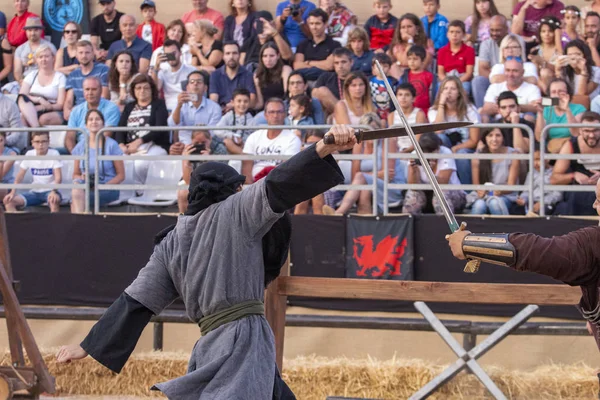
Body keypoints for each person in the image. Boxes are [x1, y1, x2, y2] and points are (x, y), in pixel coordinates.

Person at [56, 123, 357, 399]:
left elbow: (135, 302)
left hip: (211, 343)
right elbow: (278, 184)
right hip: (244, 340)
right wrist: (323, 148)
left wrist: (86, 346)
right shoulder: (235, 210)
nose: (242, 191)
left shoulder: (170, 242)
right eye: (238, 187)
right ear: (229, 191)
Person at [446, 177, 600, 353]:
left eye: (599, 200)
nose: (594, 205)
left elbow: (538, 251)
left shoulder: (593, 243)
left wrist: (468, 244)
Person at [331, 112, 404, 214]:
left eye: (374, 130)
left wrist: (365, 176)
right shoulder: (359, 144)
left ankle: (339, 213)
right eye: (366, 130)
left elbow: (388, 176)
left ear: (379, 130)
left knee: (361, 178)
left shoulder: (387, 141)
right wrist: (376, 174)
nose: (370, 134)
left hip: (390, 187)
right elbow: (354, 176)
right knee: (364, 190)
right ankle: (365, 226)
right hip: (367, 185)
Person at [116, 74, 169, 184]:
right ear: (133, 90)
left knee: (140, 164)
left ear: (152, 90)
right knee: (121, 162)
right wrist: (121, 144)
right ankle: (130, 192)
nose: (142, 91)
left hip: (154, 145)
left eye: (146, 88)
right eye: (138, 88)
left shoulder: (159, 104)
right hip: (131, 147)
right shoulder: (129, 106)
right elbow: (120, 128)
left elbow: (159, 128)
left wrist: (139, 142)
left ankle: (142, 193)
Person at [429, 76, 481, 184]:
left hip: (465, 148)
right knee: (440, 138)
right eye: (446, 88)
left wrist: (457, 148)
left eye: (453, 89)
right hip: (443, 149)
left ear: (459, 92)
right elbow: (438, 132)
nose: (449, 92)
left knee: (461, 154)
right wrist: (441, 105)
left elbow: (474, 140)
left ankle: (466, 191)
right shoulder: (434, 111)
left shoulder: (470, 110)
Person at [71, 109, 125, 213]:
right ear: (86, 125)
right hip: (87, 187)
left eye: (97, 119)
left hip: (107, 187)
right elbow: (75, 174)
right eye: (90, 119)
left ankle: (80, 223)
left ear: (103, 124)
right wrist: (81, 177)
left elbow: (121, 175)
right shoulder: (81, 146)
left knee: (76, 198)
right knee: (76, 192)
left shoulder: (112, 145)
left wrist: (103, 186)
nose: (94, 122)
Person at [402, 132, 466, 214]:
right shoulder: (415, 155)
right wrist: (413, 170)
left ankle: (444, 225)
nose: (430, 154)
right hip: (425, 194)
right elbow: (413, 186)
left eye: (433, 151)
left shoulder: (445, 152)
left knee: (440, 195)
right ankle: (409, 225)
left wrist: (429, 171)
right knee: (412, 196)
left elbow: (443, 183)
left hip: (453, 195)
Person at [550, 111, 600, 216]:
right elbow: (554, 179)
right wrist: (573, 175)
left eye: (595, 130)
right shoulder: (570, 145)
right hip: (578, 194)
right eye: (587, 131)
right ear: (580, 131)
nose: (591, 135)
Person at [242, 98, 302, 182]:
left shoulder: (292, 139)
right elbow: (246, 170)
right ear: (265, 115)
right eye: (271, 112)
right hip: (253, 186)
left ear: (284, 114)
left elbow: (287, 171)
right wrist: (250, 191)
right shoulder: (254, 137)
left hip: (278, 185)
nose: (275, 116)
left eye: (279, 112)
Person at [3, 131, 62, 213]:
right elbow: (20, 175)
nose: (41, 145)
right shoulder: (29, 154)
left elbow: (58, 177)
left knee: (54, 200)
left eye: (43, 141)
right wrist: (13, 192)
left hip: (50, 191)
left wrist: (54, 191)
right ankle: (19, 225)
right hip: (34, 192)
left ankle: (55, 225)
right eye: (37, 142)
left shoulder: (54, 153)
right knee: (9, 201)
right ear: (32, 143)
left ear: (48, 142)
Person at [469, 128, 520, 215]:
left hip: (505, 195)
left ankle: (504, 228)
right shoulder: (477, 156)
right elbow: (476, 185)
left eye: (498, 135)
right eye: (490, 135)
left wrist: (499, 191)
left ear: (503, 138)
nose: (494, 139)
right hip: (485, 194)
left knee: (494, 203)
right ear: (485, 138)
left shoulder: (513, 154)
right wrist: (480, 191)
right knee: (479, 205)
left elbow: (511, 186)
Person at [66, 76, 121, 153]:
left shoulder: (112, 108)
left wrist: (89, 156)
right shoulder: (76, 110)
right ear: (83, 91)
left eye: (94, 89)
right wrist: (76, 155)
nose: (90, 93)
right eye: (87, 89)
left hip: (102, 150)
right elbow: (69, 138)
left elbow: (106, 135)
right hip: (79, 150)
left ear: (101, 90)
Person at [18, 45, 66, 128]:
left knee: (43, 119)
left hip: (52, 108)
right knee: (22, 116)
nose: (43, 59)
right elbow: (22, 96)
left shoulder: (60, 77)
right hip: (31, 105)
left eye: (47, 56)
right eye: (40, 57)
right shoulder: (31, 75)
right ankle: (36, 130)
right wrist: (39, 100)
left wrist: (42, 107)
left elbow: (60, 105)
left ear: (53, 58)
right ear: (36, 60)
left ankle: (36, 132)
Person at [169, 70, 221, 145]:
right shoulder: (180, 104)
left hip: (206, 144)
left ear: (205, 88)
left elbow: (212, 132)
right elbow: (173, 125)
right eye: (192, 82)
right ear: (187, 88)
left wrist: (195, 143)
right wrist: (179, 106)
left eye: (199, 82)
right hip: (184, 145)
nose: (195, 84)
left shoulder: (215, 107)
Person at [482, 57, 542, 122]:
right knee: (483, 116)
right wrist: (515, 107)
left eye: (515, 71)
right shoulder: (494, 87)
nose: (510, 74)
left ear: (522, 72)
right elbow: (486, 108)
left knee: (529, 116)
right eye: (507, 70)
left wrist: (505, 107)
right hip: (498, 122)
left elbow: (535, 107)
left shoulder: (532, 88)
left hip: (522, 121)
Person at [534, 78, 585, 153]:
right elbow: (539, 137)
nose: (557, 95)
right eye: (553, 92)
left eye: (561, 92)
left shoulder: (579, 108)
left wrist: (567, 109)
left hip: (572, 149)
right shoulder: (546, 110)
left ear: (568, 94)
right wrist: (540, 113)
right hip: (552, 150)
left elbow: (575, 133)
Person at [64, 40, 110, 120]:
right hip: (78, 113)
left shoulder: (103, 70)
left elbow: (104, 97)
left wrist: (80, 110)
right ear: (76, 55)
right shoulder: (72, 75)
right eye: (81, 53)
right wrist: (67, 111)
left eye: (87, 52)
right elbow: (69, 100)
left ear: (93, 54)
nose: (84, 56)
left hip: (98, 111)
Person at [292, 8, 341, 81]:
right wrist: (321, 64)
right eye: (311, 24)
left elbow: (329, 66)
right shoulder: (303, 44)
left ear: (325, 24)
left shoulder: (334, 45)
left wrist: (308, 62)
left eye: (317, 23)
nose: (314, 27)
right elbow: (297, 65)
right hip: (305, 82)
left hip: (326, 82)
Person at [472, 14, 509, 109]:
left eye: (498, 30)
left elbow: (519, 68)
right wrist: (496, 78)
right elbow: (482, 71)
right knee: (477, 81)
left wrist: (500, 77)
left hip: (514, 81)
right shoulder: (485, 44)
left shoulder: (516, 41)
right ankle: (483, 112)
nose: (494, 33)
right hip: (492, 81)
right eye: (492, 30)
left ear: (506, 29)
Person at [209, 41, 256, 113]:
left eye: (234, 53)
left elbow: (252, 101)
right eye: (228, 53)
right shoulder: (215, 75)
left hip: (242, 113)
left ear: (239, 55)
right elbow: (213, 100)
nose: (231, 57)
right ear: (223, 56)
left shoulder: (248, 74)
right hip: (222, 113)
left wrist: (234, 105)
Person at [151, 39, 197, 112]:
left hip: (188, 108)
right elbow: (154, 89)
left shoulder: (191, 71)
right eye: (168, 54)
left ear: (180, 53)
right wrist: (156, 67)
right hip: (169, 110)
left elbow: (198, 96)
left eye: (173, 53)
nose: (171, 57)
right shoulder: (162, 71)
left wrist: (186, 97)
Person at [516, 149, 562, 215]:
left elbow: (558, 195)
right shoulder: (531, 173)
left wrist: (542, 202)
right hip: (531, 202)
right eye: (533, 160)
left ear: (547, 159)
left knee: (542, 211)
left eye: (538, 159)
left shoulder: (555, 173)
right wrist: (523, 199)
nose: (535, 163)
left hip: (547, 203)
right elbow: (526, 191)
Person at [388, 13, 434, 79]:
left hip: (421, 76)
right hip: (402, 77)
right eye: (403, 27)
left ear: (417, 28)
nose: (406, 30)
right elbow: (405, 61)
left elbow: (424, 64)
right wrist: (410, 42)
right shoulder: (397, 45)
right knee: (393, 67)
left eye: (409, 26)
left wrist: (410, 41)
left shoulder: (427, 43)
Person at [437, 20, 475, 95]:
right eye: (451, 32)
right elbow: (440, 73)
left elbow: (469, 73)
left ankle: (464, 106)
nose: (454, 35)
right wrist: (448, 82)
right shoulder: (442, 51)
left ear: (463, 35)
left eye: (458, 32)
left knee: (464, 89)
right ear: (447, 34)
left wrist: (457, 82)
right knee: (439, 88)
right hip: (447, 78)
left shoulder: (469, 51)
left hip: (462, 79)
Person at [13, 17, 57, 84]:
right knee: (5, 89)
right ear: (26, 31)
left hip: (44, 81)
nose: (33, 33)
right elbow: (17, 71)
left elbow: (55, 68)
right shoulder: (20, 49)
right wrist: (20, 81)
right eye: (30, 30)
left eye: (36, 30)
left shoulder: (50, 47)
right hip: (25, 80)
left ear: (41, 31)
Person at [388, 82, 427, 154]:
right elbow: (392, 139)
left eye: (407, 95)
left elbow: (418, 140)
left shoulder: (419, 114)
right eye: (400, 95)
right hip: (397, 152)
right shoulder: (391, 115)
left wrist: (405, 152)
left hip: (415, 151)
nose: (403, 97)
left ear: (413, 98)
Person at [311, 47, 353, 114]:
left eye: (343, 62)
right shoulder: (326, 77)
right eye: (336, 63)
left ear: (351, 62)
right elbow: (314, 94)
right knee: (321, 91)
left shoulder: (358, 78)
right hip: (331, 114)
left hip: (354, 112)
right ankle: (343, 114)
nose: (340, 66)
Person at [528, 15, 563, 93]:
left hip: (556, 82)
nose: (546, 34)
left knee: (545, 72)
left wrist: (543, 63)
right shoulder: (535, 50)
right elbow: (534, 73)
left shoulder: (559, 49)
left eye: (550, 31)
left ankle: (550, 98)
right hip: (538, 84)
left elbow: (562, 67)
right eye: (543, 31)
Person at [254, 42, 292, 111]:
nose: (268, 60)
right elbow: (260, 103)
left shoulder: (285, 70)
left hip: (282, 108)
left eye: (271, 56)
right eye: (265, 56)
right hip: (265, 111)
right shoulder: (257, 74)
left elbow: (288, 96)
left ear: (278, 56)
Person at [398, 45, 434, 111]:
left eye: (415, 59)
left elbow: (433, 94)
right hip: (408, 111)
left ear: (422, 60)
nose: (412, 61)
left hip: (426, 111)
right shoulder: (404, 77)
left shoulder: (429, 76)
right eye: (409, 59)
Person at [369, 53, 397, 121]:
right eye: (379, 66)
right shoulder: (369, 82)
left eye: (385, 66)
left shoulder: (394, 82)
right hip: (374, 113)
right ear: (373, 68)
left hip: (389, 113)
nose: (382, 69)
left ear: (389, 68)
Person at [0, 132, 16, 202]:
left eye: (0, 141)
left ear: (5, 140)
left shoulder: (11, 154)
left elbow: (1, 175)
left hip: (6, 184)